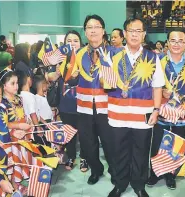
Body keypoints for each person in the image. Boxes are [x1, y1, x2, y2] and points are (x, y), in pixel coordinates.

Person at [107, 17, 164, 197]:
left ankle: (139, 185)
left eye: (138, 31)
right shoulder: (112, 55)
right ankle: (119, 184)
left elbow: (157, 86)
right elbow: (105, 84)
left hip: (143, 115)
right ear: (124, 34)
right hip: (118, 114)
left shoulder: (152, 57)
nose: (134, 34)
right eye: (131, 30)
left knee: (141, 151)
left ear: (144, 34)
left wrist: (156, 110)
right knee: (119, 152)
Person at [148, 29, 185, 190]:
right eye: (173, 40)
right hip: (163, 109)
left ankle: (170, 174)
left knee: (177, 144)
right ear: (167, 42)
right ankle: (154, 172)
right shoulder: (159, 60)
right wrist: (160, 90)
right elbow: (151, 83)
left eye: (180, 41)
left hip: (182, 112)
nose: (176, 44)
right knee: (158, 143)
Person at [71, 14, 114, 185]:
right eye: (89, 27)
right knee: (88, 143)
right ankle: (96, 170)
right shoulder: (79, 53)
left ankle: (114, 168)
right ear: (85, 32)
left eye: (97, 26)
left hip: (108, 107)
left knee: (110, 142)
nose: (93, 30)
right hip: (84, 107)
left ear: (103, 31)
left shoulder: (114, 53)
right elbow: (71, 77)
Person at [49, 30, 88, 171]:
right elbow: (50, 77)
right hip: (65, 104)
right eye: (69, 41)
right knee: (69, 133)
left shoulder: (86, 58)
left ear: (81, 43)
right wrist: (58, 72)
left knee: (85, 133)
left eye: (75, 40)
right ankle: (71, 156)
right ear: (64, 43)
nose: (72, 43)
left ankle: (85, 158)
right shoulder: (58, 59)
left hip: (84, 104)